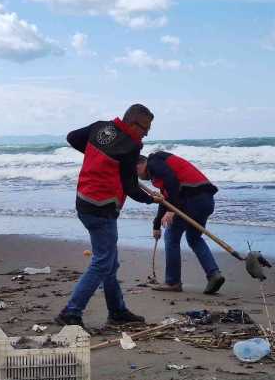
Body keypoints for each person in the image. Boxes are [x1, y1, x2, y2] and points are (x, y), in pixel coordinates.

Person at [55, 104, 164, 328]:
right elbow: (131, 187)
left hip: (84, 201)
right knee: (102, 263)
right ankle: (71, 312)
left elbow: (73, 137)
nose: (146, 133)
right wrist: (151, 199)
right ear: (133, 123)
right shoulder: (130, 145)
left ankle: (117, 311)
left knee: (109, 263)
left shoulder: (100, 127)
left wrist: (98, 157)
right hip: (102, 208)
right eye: (145, 128)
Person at [137, 151, 225, 294]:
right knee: (194, 238)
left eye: (137, 173)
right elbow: (165, 198)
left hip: (191, 199)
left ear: (139, 165)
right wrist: (156, 225)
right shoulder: (161, 167)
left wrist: (173, 209)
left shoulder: (154, 161)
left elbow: (172, 182)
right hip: (206, 200)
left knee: (171, 238)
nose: (140, 177)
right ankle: (214, 274)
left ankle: (173, 282)